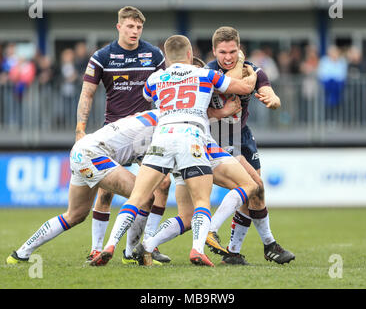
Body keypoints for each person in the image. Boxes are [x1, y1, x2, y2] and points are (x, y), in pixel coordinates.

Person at [89, 35, 259, 267]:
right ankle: (198, 249)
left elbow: (148, 96)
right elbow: (245, 87)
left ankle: (110, 244)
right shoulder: (205, 74)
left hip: (163, 137)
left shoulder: (155, 78)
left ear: (166, 57)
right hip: (192, 138)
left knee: (138, 197)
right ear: (190, 54)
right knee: (205, 199)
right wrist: (244, 65)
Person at [74, 6, 171, 264]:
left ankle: (145, 245)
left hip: (146, 134)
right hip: (114, 132)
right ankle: (96, 248)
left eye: (139, 27)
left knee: (163, 184)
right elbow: (87, 93)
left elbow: (168, 87)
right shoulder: (103, 56)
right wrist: (80, 129)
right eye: (130, 26)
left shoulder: (154, 54)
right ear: (119, 27)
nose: (135, 32)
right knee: (106, 192)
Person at [6, 110, 162, 265]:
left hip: (80, 150)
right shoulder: (165, 126)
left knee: (75, 214)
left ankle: (20, 253)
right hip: (93, 154)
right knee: (146, 197)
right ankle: (130, 255)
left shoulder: (153, 118)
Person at [205, 26, 295, 265]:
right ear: (214, 51)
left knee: (257, 192)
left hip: (242, 135)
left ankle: (233, 253)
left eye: (232, 51)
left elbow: (270, 94)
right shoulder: (206, 74)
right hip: (217, 137)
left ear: (239, 49)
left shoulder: (252, 71)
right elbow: (198, 113)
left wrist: (272, 100)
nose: (227, 57)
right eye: (222, 52)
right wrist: (222, 112)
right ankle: (268, 245)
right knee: (253, 185)